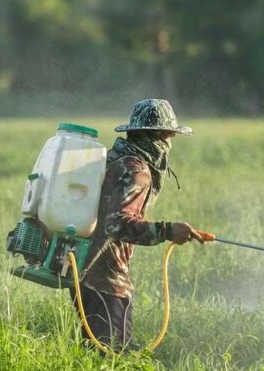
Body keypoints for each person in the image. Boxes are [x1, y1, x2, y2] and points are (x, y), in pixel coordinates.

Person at [71, 99, 204, 352]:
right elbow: (116, 224)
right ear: (161, 136)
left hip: (84, 269)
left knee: (98, 354)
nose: (170, 143)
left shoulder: (115, 159)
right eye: (170, 135)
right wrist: (167, 230)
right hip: (105, 277)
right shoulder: (136, 170)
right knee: (117, 356)